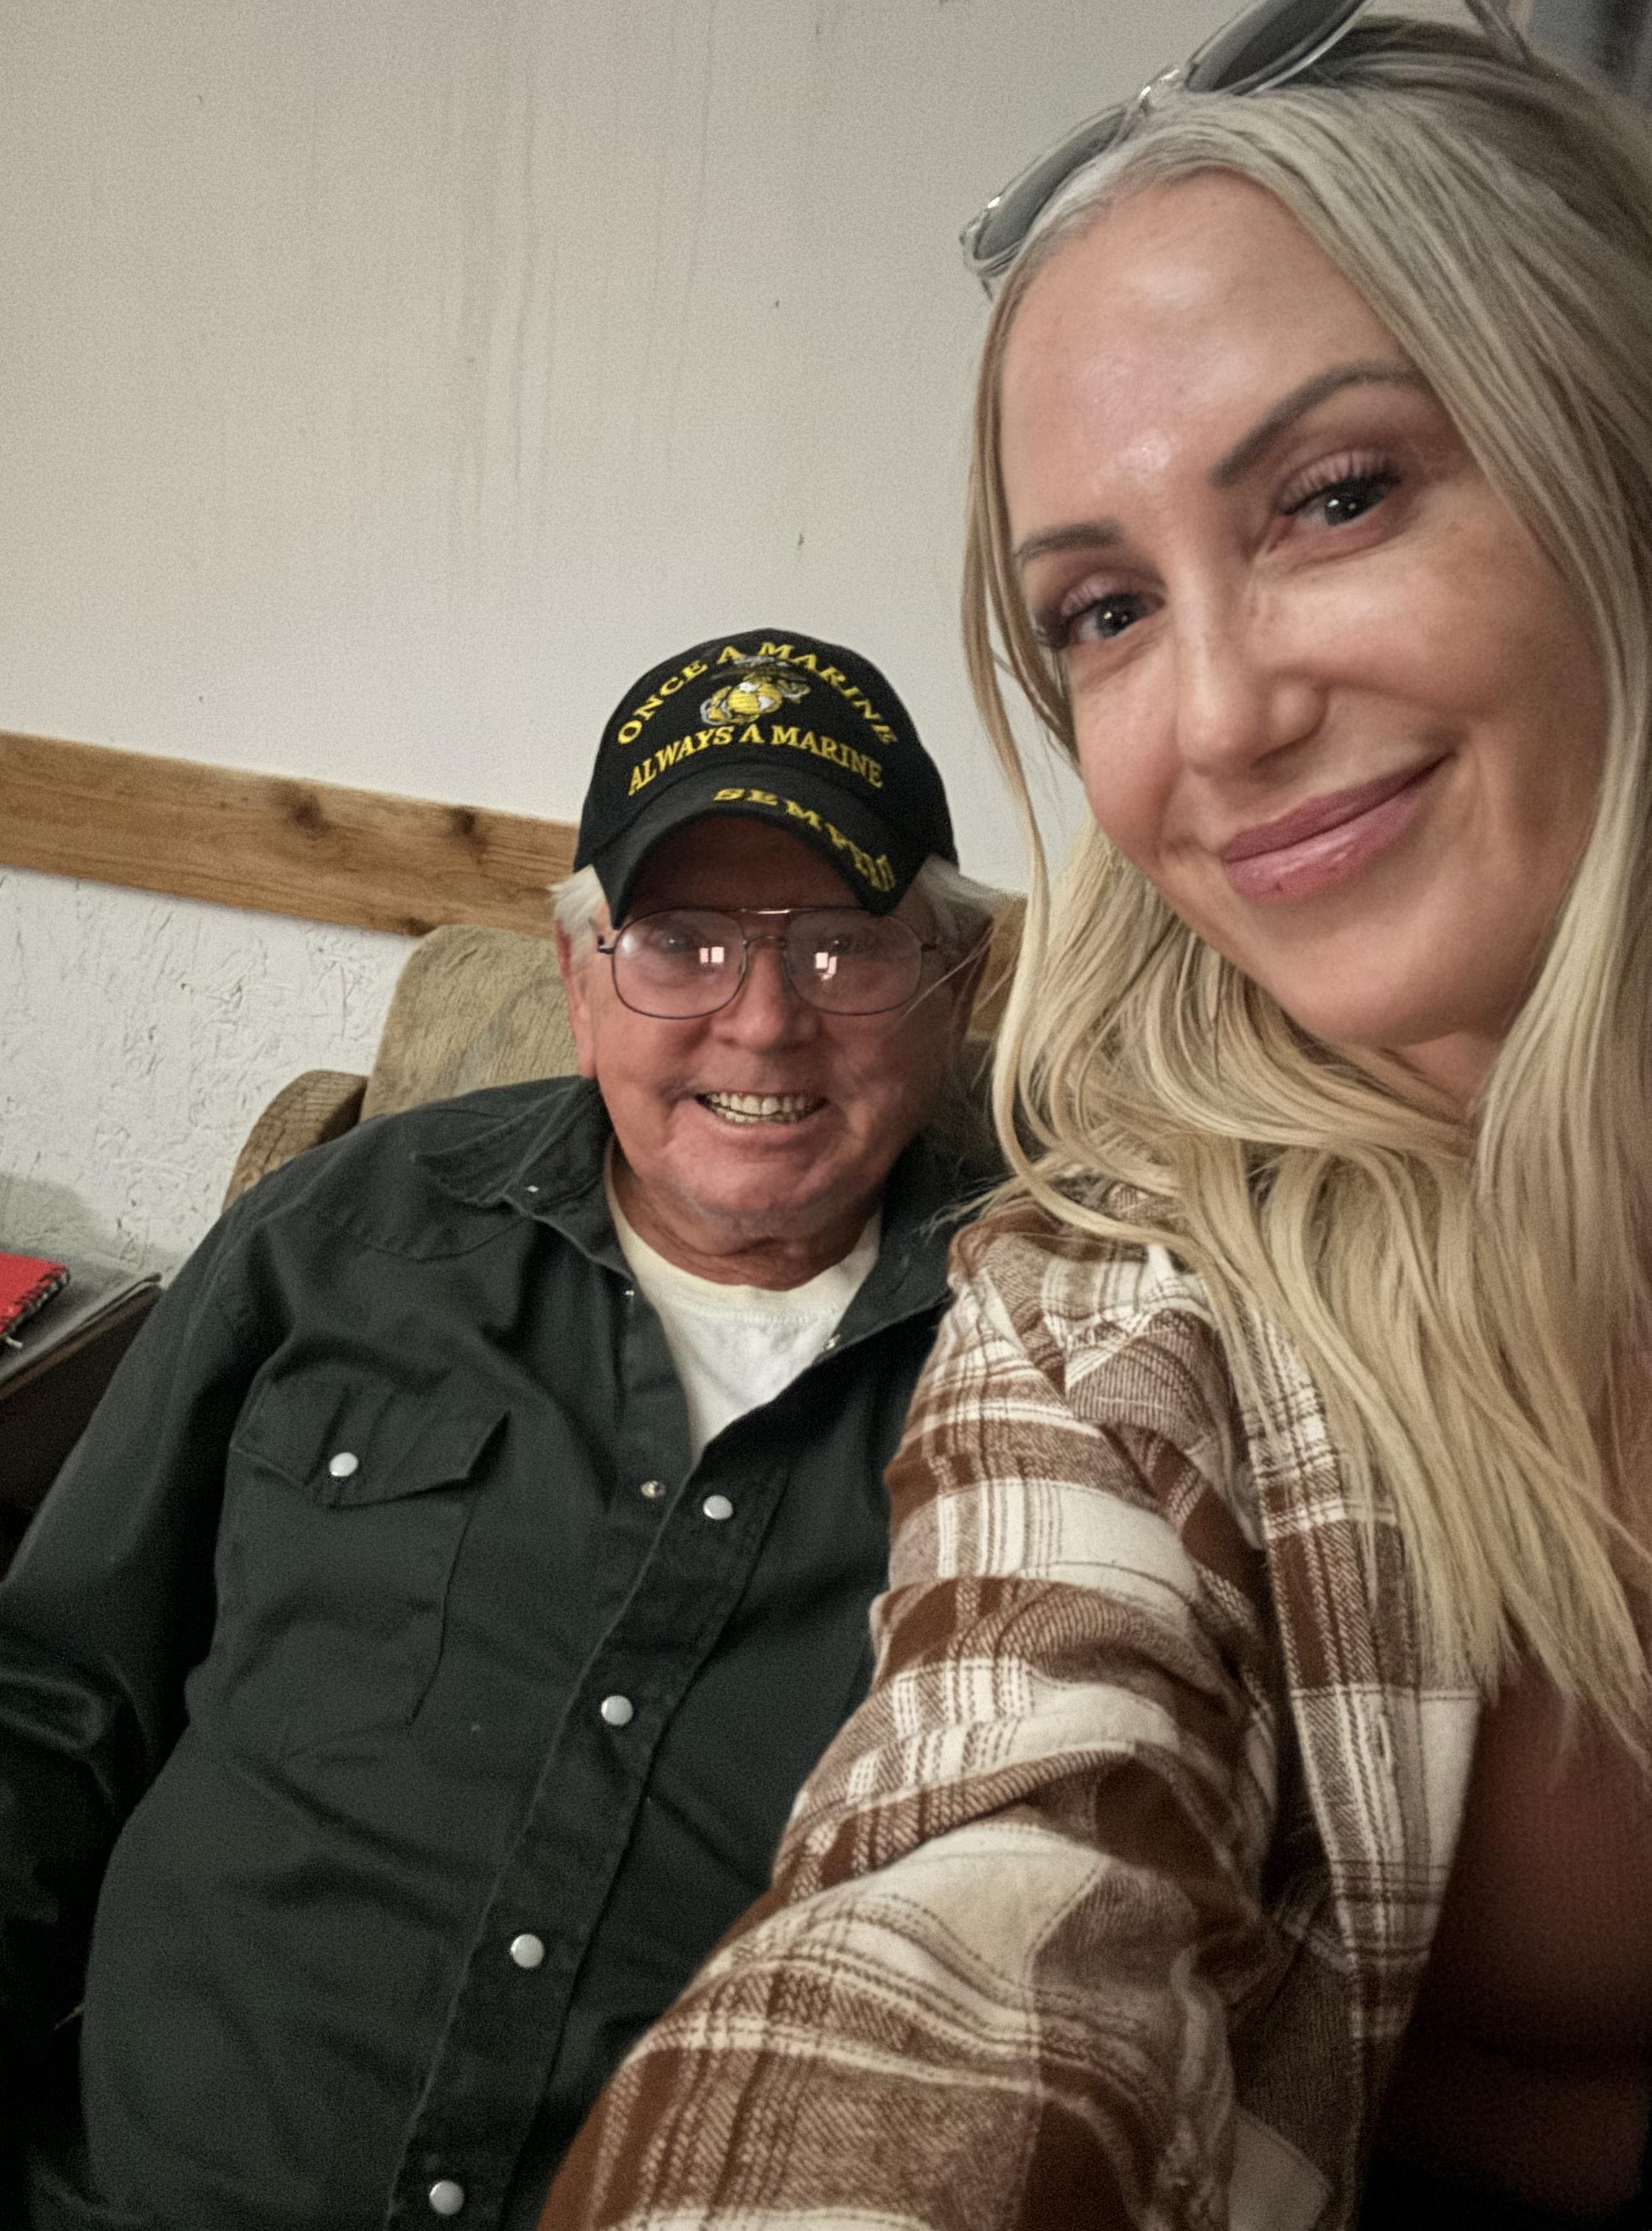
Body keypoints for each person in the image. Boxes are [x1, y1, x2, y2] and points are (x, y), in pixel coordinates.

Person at [542, 11, 1652, 2230]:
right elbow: (982, 1881)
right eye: (1104, 611)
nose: (1223, 713)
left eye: (1336, 495)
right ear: (571, 966)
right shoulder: (1107, 1311)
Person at [0, 626, 1000, 2230]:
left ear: (954, 977)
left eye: (837, 944)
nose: (759, 1019)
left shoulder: (1058, 1358)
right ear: (579, 973)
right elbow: (47, 1697)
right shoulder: (339, 1237)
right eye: (679, 940)